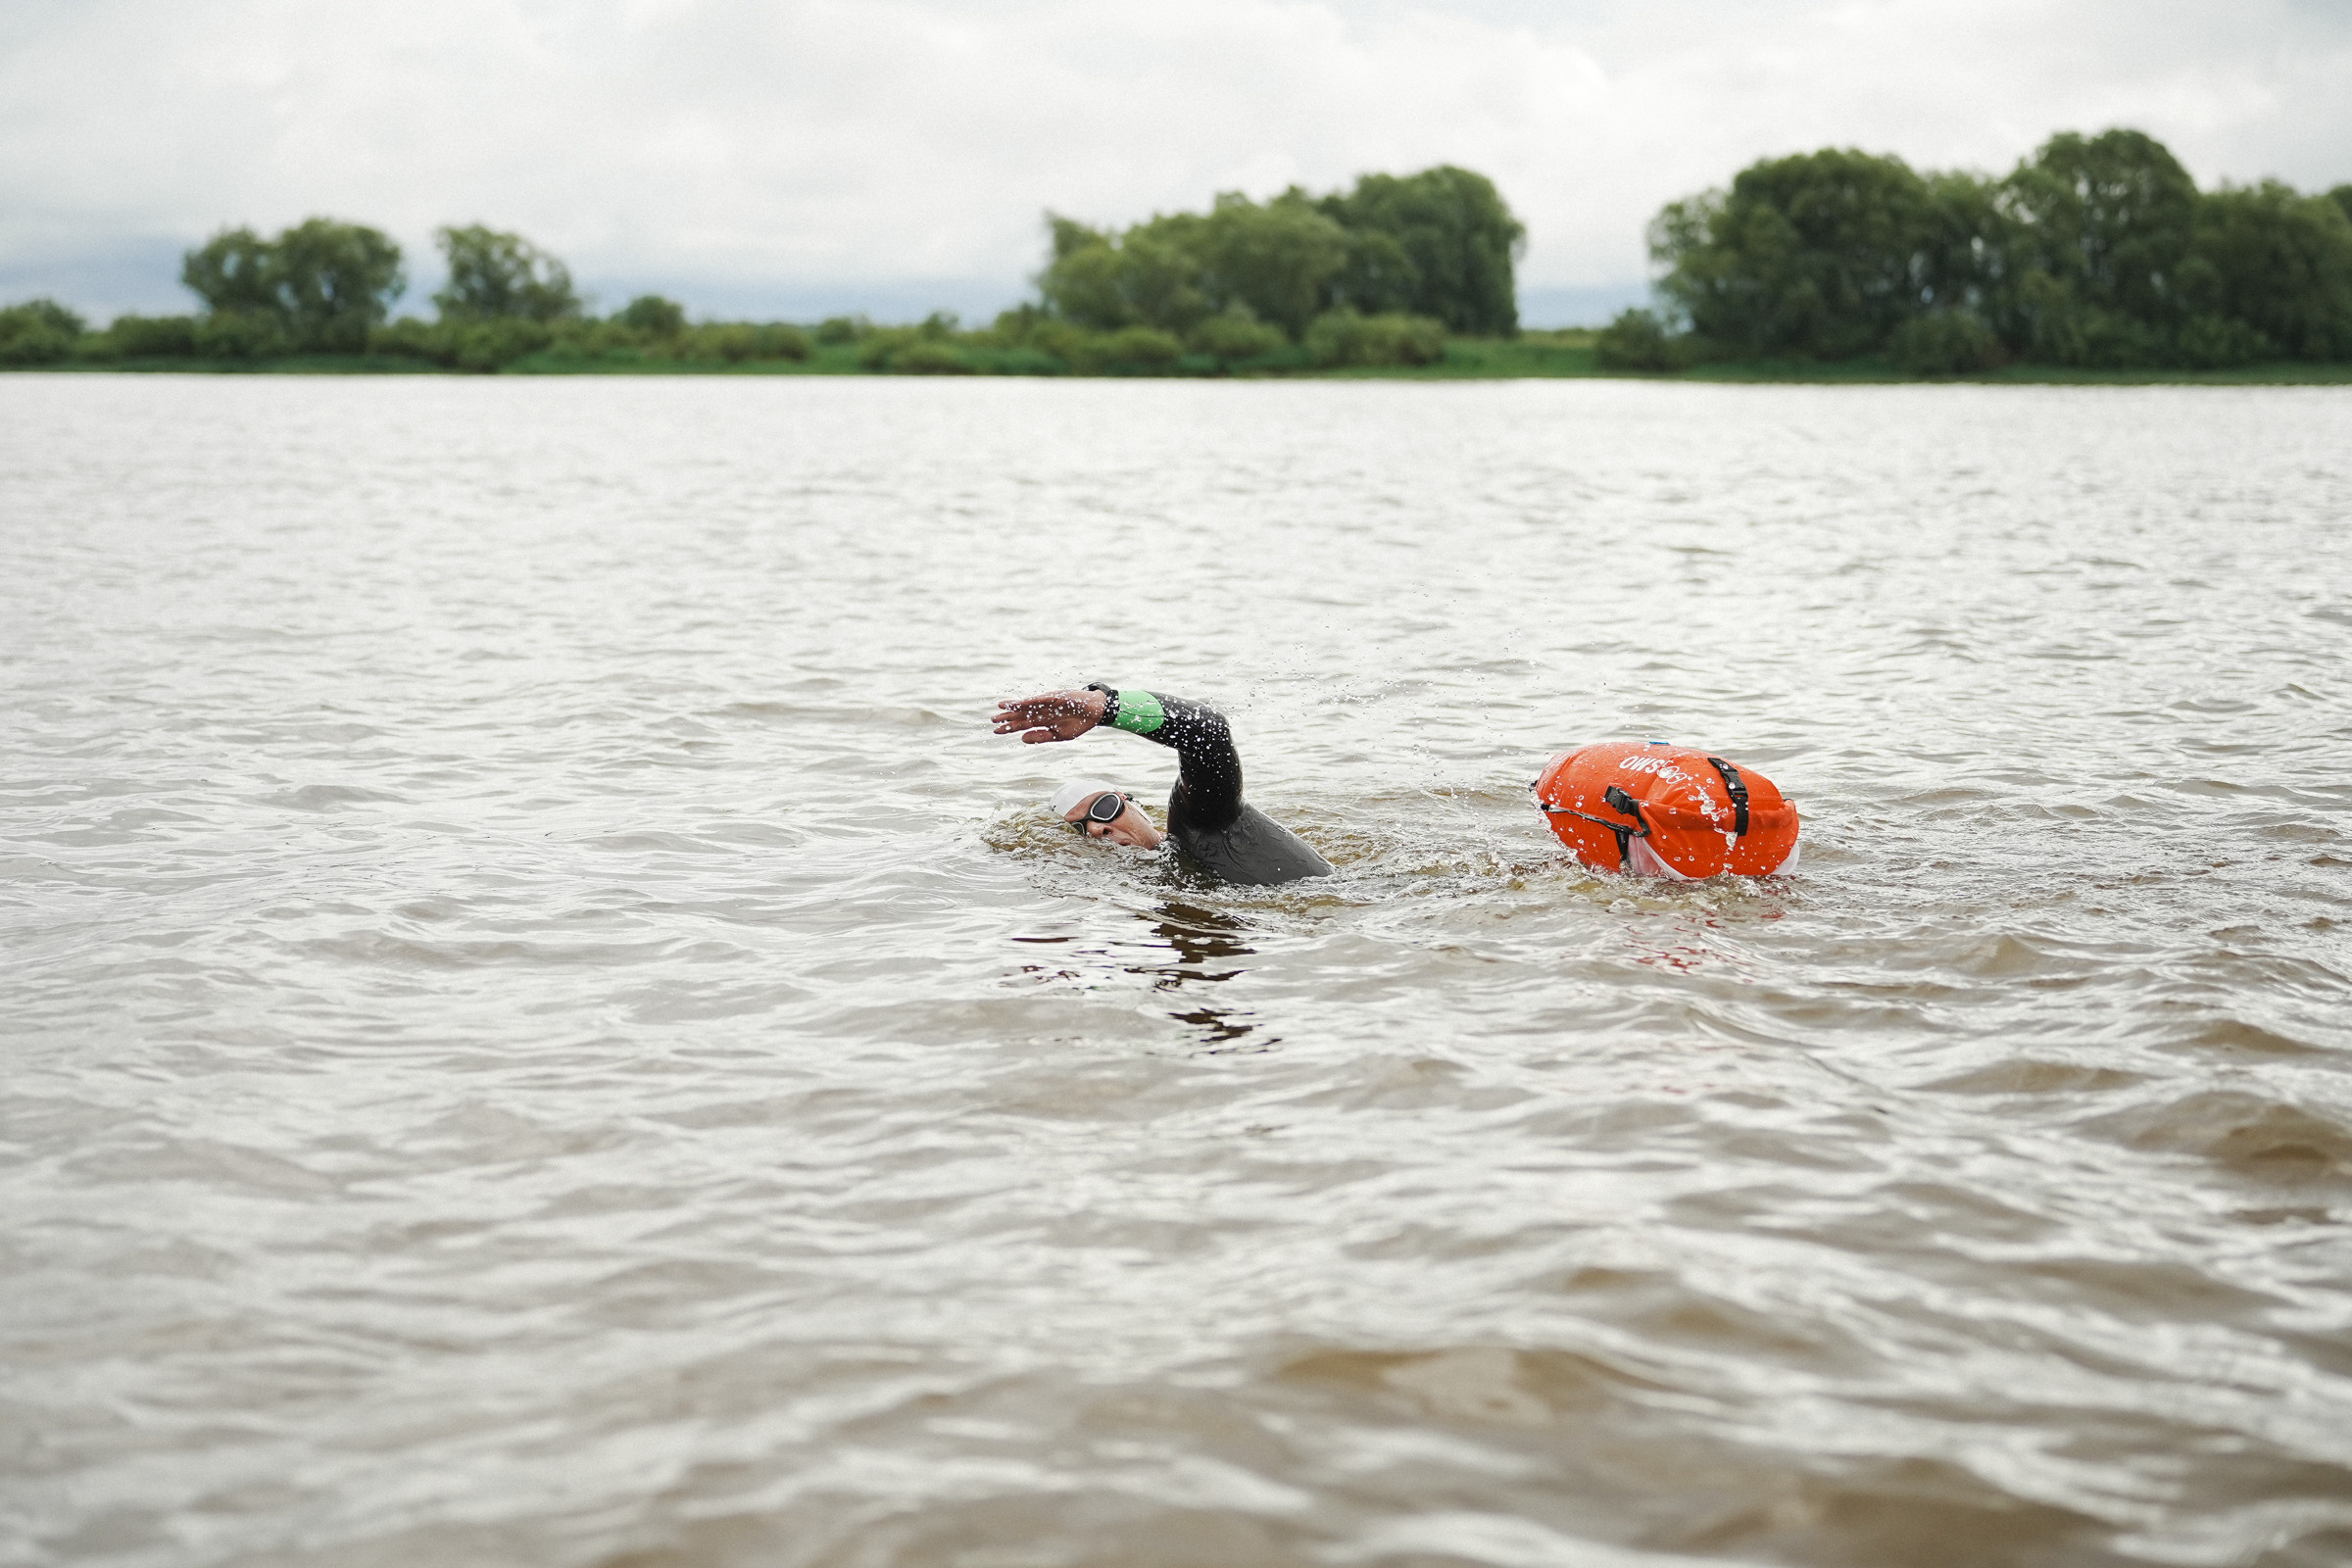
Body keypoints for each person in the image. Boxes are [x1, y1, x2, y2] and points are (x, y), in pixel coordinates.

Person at [993, 683, 1334, 887]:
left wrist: (1109, 706)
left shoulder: (1204, 827)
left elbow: (1207, 732)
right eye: (1082, 829)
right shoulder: (1143, 885)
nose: (1099, 829)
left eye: (1105, 808)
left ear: (1134, 805)